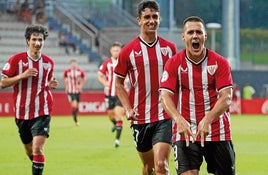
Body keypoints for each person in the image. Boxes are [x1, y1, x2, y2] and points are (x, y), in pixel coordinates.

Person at [159, 16, 236, 175]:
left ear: (205, 36)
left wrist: (207, 119)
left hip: (217, 131)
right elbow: (164, 96)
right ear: (184, 36)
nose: (195, 36)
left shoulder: (220, 62)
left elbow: (226, 97)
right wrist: (179, 119)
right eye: (191, 32)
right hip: (185, 132)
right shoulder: (174, 63)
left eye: (199, 32)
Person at [114, 0, 177, 174]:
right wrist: (127, 108)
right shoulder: (127, 51)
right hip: (140, 117)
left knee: (161, 166)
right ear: (139, 20)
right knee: (149, 168)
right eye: (147, 17)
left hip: (164, 115)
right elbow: (118, 83)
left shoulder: (170, 48)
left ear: (160, 19)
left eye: (155, 16)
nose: (151, 20)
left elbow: (178, 80)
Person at [0, 24, 58, 175]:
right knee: (29, 151)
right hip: (21, 113)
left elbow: (42, 83)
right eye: (34, 39)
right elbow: (3, 83)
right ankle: (38, 166)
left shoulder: (48, 62)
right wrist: (22, 76)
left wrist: (48, 85)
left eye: (40, 40)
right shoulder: (16, 60)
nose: (37, 43)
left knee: (37, 148)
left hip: (42, 110)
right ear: (27, 40)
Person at [98, 41, 125, 147]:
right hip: (109, 94)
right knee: (110, 116)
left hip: (121, 94)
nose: (115, 52)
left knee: (118, 115)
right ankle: (116, 125)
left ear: (121, 51)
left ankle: (117, 140)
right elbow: (100, 75)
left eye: (117, 50)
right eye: (114, 50)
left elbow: (130, 74)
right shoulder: (107, 63)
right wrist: (106, 83)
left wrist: (126, 79)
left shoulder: (124, 62)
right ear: (111, 51)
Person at [63, 59, 86, 126]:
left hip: (77, 91)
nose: (74, 65)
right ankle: (75, 120)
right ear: (71, 64)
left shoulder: (80, 71)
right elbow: (64, 78)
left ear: (76, 64)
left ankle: (75, 117)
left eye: (75, 63)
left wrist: (81, 85)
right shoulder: (67, 71)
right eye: (72, 64)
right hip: (70, 91)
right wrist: (66, 86)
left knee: (77, 107)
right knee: (74, 105)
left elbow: (84, 78)